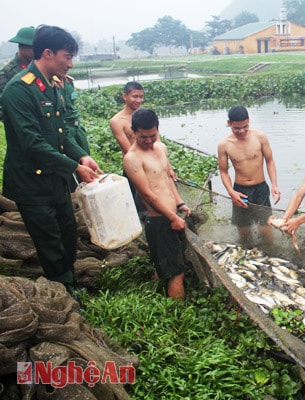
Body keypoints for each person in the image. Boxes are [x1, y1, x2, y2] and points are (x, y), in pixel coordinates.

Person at [1, 25, 102, 293]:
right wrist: (74, 167)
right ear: (47, 53)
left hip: (55, 177)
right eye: (66, 57)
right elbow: (32, 143)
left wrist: (82, 155)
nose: (70, 64)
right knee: (49, 239)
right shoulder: (18, 90)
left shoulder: (53, 86)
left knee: (67, 231)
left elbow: (61, 133)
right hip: (30, 183)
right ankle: (63, 290)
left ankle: (67, 280)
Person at [122, 108, 189, 300]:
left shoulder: (161, 148)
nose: (149, 141)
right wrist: (172, 217)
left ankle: (154, 295)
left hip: (172, 214)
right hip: (160, 220)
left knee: (166, 262)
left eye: (153, 135)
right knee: (177, 272)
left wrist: (180, 203)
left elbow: (167, 179)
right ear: (133, 131)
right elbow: (147, 195)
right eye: (143, 137)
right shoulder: (132, 158)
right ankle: (179, 316)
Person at [217, 105, 280, 244]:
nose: (242, 131)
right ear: (229, 123)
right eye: (237, 128)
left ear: (249, 121)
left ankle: (270, 252)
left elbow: (270, 161)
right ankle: (247, 253)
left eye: (245, 126)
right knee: (244, 231)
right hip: (240, 190)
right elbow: (223, 171)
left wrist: (274, 185)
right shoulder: (224, 144)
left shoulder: (260, 137)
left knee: (265, 228)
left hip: (261, 189)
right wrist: (231, 192)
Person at [0, 26, 35, 120]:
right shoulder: (7, 72)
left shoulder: (38, 69)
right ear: (22, 47)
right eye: (32, 48)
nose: (36, 51)